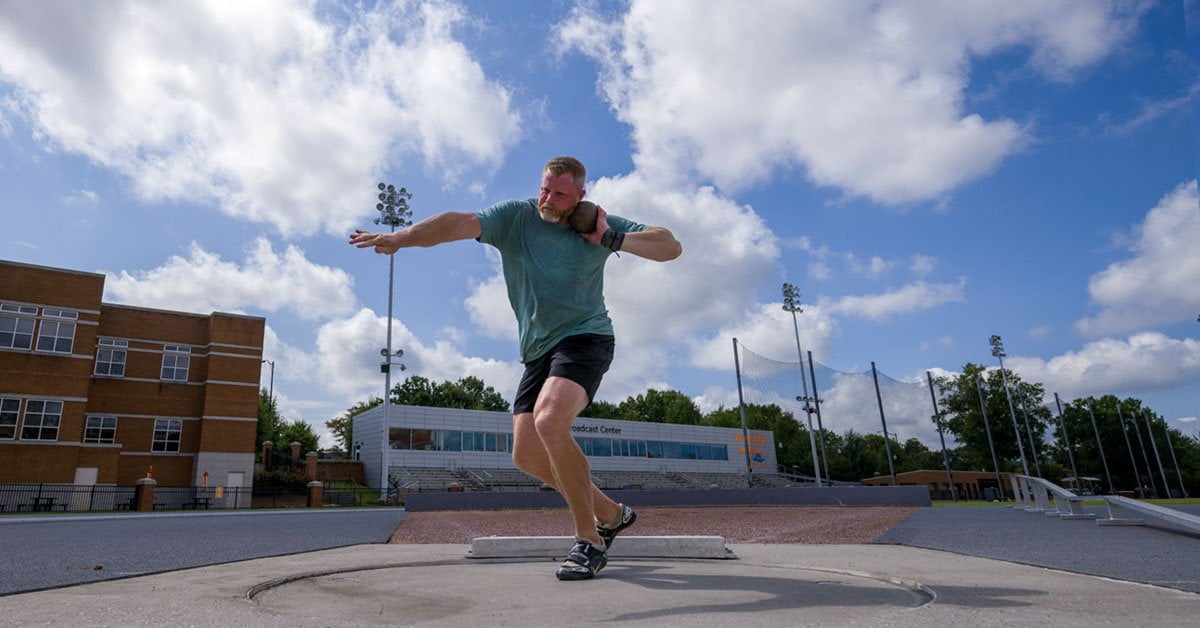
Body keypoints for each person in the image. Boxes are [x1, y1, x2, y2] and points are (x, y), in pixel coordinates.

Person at [349, 156, 682, 580]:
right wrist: (403, 237)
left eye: (560, 194)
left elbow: (670, 246)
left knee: (549, 421)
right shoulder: (516, 217)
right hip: (538, 351)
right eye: (545, 188)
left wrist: (610, 238)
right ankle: (611, 513)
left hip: (586, 338)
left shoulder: (597, 223)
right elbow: (456, 223)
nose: (548, 198)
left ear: (579, 194)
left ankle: (590, 540)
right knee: (525, 455)